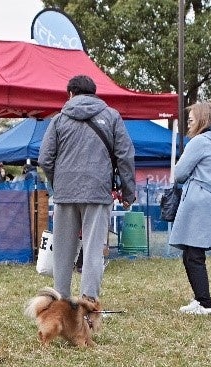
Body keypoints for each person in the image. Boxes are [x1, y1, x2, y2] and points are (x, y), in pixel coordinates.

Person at [38, 74, 135, 305]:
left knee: (62, 250)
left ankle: (61, 302)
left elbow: (45, 159)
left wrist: (58, 183)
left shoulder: (59, 120)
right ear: (94, 93)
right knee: (93, 249)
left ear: (70, 94)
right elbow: (125, 156)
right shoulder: (112, 116)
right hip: (98, 191)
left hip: (65, 192)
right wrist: (128, 192)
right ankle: (88, 303)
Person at [167, 101, 211, 316]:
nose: (188, 123)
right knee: (192, 253)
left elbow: (179, 173)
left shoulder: (200, 141)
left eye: (191, 119)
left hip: (199, 201)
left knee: (193, 255)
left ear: (202, 119)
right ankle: (200, 299)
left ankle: (205, 304)